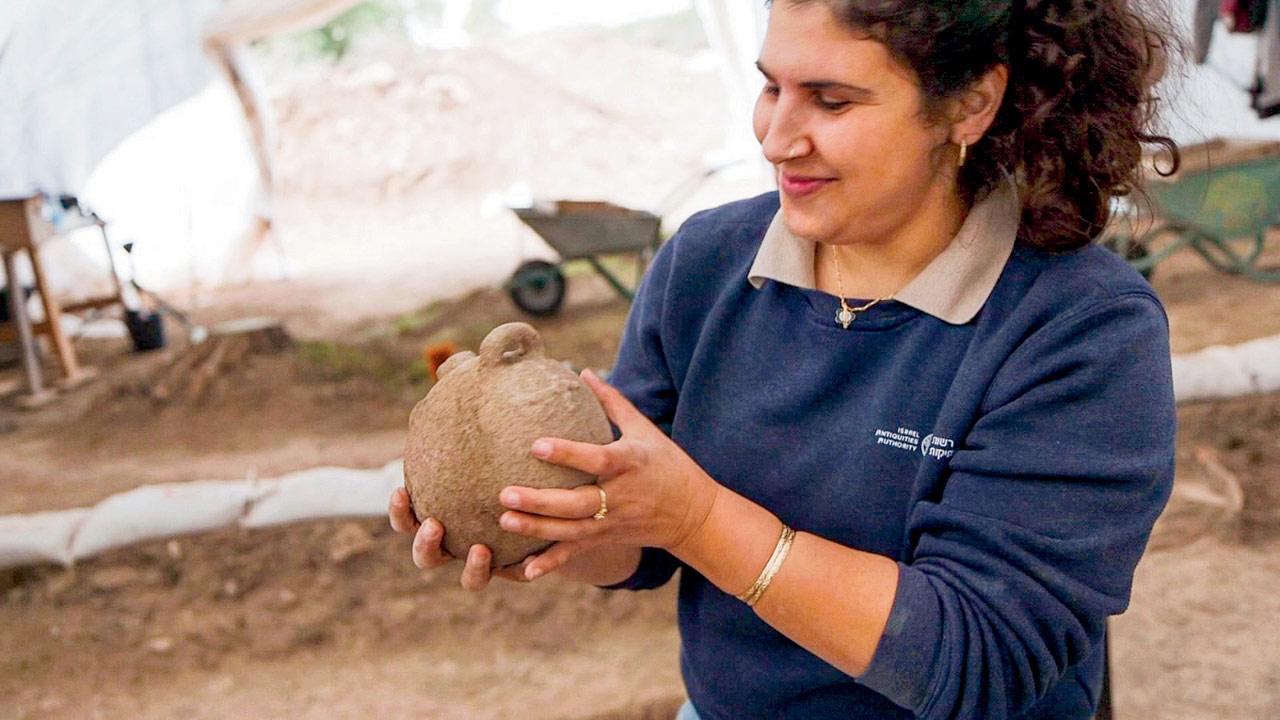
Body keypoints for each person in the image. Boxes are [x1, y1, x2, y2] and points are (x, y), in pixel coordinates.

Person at [388, 1, 1180, 717]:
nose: (775, 137)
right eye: (772, 88)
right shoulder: (705, 262)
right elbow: (638, 546)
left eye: (832, 101)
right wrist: (551, 522)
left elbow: (981, 659)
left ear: (970, 103)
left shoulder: (1083, 328)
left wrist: (698, 518)